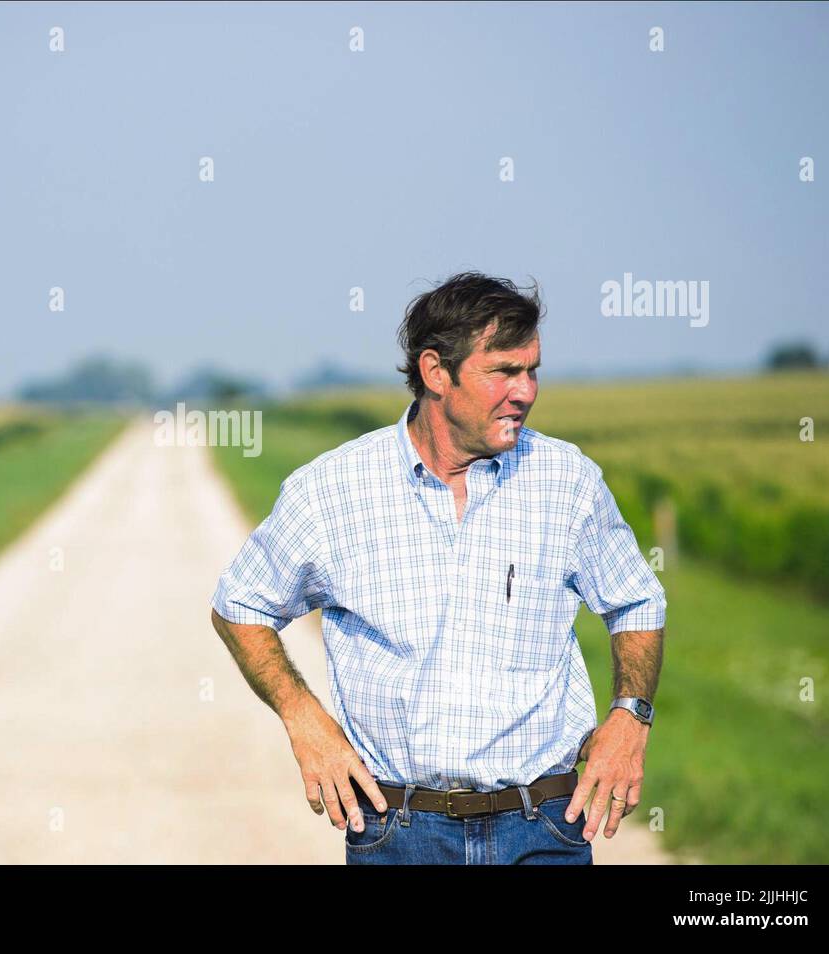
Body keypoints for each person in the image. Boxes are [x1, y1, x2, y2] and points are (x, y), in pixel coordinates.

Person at [210, 272, 665, 864]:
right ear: (435, 373)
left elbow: (636, 601)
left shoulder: (568, 481)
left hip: (546, 828)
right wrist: (304, 719)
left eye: (532, 371)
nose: (525, 391)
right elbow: (240, 605)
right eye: (503, 371)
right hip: (398, 834)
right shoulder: (333, 490)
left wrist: (631, 719)